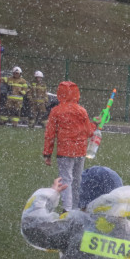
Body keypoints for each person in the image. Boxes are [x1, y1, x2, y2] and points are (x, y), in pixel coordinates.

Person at [42, 80, 98, 212]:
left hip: (65, 151)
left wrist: (47, 153)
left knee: (66, 180)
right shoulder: (82, 111)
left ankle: (67, 209)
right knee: (77, 180)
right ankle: (76, 208)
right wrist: (95, 123)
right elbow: (89, 132)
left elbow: (50, 134)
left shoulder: (56, 111)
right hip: (80, 151)